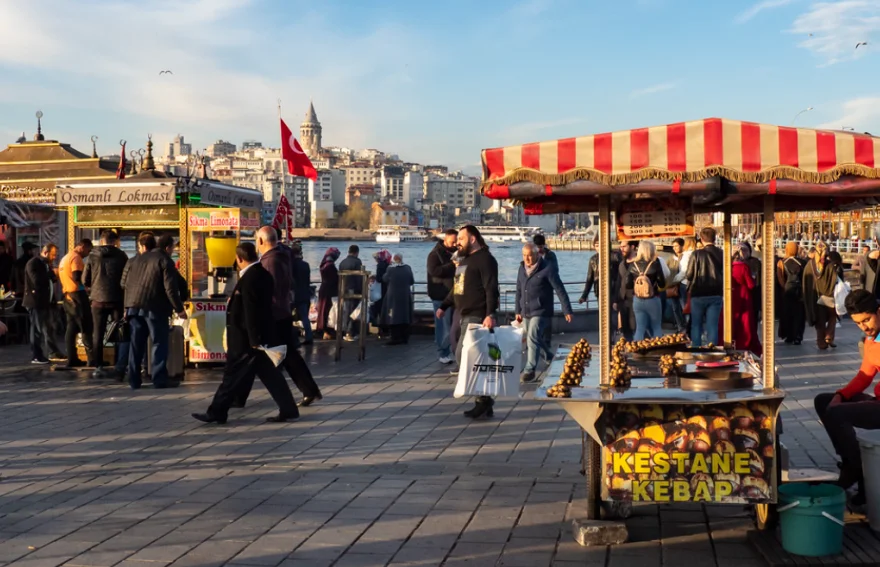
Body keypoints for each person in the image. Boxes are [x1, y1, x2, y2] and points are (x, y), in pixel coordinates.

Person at [192, 243, 299, 424]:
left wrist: (253, 339)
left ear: (239, 258)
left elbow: (251, 310)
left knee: (232, 375)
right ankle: (288, 409)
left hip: (246, 339)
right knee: (270, 375)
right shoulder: (263, 274)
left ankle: (217, 411)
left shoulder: (250, 278)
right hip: (257, 337)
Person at [234, 227, 322, 408]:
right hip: (281, 312)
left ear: (260, 241)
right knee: (285, 355)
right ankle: (308, 390)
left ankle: (238, 397)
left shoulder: (270, 262)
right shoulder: (281, 257)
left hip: (274, 315)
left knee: (260, 356)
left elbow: (269, 291)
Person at [813, 289, 880, 510]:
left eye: (867, 320)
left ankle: (857, 471)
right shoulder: (872, 340)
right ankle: (853, 464)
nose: (865, 327)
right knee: (825, 401)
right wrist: (841, 395)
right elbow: (864, 376)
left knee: (837, 413)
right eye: (859, 323)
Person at [437, 225, 500, 419]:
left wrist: (490, 313)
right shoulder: (464, 260)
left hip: (477, 315)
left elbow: (491, 288)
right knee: (471, 358)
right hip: (463, 313)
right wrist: (445, 305)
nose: (457, 243)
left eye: (461, 239)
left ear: (473, 239)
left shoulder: (486, 260)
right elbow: (458, 287)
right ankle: (484, 400)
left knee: (463, 355)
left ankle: (483, 400)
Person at [121, 232, 187, 389]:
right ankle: (159, 379)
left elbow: (124, 284)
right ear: (168, 247)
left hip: (133, 307)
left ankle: (134, 379)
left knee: (136, 344)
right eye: (172, 249)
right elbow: (170, 288)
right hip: (155, 308)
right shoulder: (164, 261)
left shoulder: (133, 260)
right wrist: (179, 309)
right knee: (158, 342)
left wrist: (126, 307)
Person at [516, 242, 573, 383]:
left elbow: (560, 289)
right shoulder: (521, 268)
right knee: (533, 339)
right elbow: (518, 290)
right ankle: (550, 357)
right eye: (524, 255)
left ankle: (529, 370)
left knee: (532, 336)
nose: (527, 259)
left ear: (537, 254)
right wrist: (517, 310)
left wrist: (567, 310)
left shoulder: (548, 268)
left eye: (530, 255)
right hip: (526, 310)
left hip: (542, 310)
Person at [83, 230, 128, 373]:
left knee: (98, 333)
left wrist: (94, 286)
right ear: (114, 241)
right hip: (116, 300)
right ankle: (119, 365)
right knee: (120, 332)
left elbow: (85, 279)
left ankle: (98, 366)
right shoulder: (121, 256)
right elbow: (126, 278)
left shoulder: (92, 256)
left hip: (97, 300)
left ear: (102, 240)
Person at [58, 239, 94, 368]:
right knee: (86, 325)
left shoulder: (65, 258)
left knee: (71, 328)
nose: (88, 254)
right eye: (88, 250)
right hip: (77, 295)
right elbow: (76, 277)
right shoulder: (76, 258)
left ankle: (72, 358)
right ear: (82, 247)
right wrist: (88, 287)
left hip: (67, 295)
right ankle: (91, 358)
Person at [686, 227, 724, 347]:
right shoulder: (722, 253)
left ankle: (696, 350)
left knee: (696, 325)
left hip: (698, 293)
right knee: (712, 326)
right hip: (716, 293)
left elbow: (689, 274)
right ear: (715, 238)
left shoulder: (696, 254)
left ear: (701, 239)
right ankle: (711, 350)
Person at [622, 241, 666, 341]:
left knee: (640, 328)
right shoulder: (655, 264)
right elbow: (662, 283)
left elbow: (627, 284)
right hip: (653, 299)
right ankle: (657, 350)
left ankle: (637, 351)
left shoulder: (633, 265)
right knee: (656, 327)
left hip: (637, 299)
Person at [22, 243, 58, 364]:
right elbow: (36, 280)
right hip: (35, 301)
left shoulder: (45, 264)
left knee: (46, 328)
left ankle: (51, 351)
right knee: (36, 329)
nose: (54, 257)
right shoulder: (34, 263)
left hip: (45, 301)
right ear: (46, 252)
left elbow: (52, 279)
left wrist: (52, 274)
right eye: (53, 255)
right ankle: (36, 355)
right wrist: (48, 274)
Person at [427, 230, 457, 364]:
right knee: (443, 326)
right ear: (446, 240)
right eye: (452, 242)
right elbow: (434, 271)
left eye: (456, 241)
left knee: (452, 325)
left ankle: (452, 350)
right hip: (440, 294)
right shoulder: (435, 254)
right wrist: (452, 265)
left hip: (453, 295)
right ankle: (443, 352)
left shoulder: (457, 252)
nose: (455, 244)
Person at [803, 241, 838, 351]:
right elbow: (834, 281)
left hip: (815, 297)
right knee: (833, 316)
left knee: (820, 320)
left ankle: (821, 342)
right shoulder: (830, 265)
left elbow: (806, 281)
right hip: (829, 297)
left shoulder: (809, 265)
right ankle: (829, 336)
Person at [580, 236, 622, 328]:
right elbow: (589, 279)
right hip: (599, 291)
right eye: (596, 245)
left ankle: (614, 335)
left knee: (613, 315)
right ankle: (606, 336)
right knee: (603, 317)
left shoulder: (614, 256)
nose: (599, 247)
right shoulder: (593, 259)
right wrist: (584, 295)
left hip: (613, 290)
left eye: (601, 245)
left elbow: (621, 273)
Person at [731, 245, 761, 355]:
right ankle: (745, 342)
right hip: (744, 295)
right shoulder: (743, 267)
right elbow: (750, 284)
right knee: (746, 321)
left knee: (733, 320)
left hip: (732, 295)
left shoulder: (729, 266)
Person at [776, 241, 806, 345]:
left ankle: (789, 336)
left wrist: (785, 287)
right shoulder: (803, 262)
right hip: (800, 290)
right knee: (799, 314)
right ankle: (798, 336)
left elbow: (780, 278)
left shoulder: (781, 263)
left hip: (787, 290)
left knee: (787, 313)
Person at [382, 253, 415, 345]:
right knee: (405, 315)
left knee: (392, 315)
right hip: (405, 295)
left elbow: (384, 279)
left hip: (393, 296)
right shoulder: (407, 268)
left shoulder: (390, 269)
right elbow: (411, 281)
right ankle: (405, 337)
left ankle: (395, 337)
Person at [338, 245, 363, 342]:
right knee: (353, 311)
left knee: (345, 310)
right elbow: (359, 277)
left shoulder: (342, 262)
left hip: (343, 289)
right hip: (354, 290)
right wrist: (362, 290)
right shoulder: (357, 262)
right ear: (356, 252)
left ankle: (344, 331)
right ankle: (351, 332)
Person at [290, 244, 314, 345]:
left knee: (289, 316)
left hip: (293, 294)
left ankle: (292, 338)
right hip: (304, 293)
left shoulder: (291, 265)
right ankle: (309, 337)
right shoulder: (306, 265)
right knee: (305, 317)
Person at [615, 241, 638, 341]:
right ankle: (629, 347)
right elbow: (618, 282)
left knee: (635, 326)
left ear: (632, 247)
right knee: (625, 328)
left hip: (636, 299)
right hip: (623, 300)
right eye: (621, 246)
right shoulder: (622, 264)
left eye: (624, 246)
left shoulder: (640, 262)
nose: (621, 249)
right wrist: (616, 300)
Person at [315, 247, 340, 340]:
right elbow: (334, 279)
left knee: (323, 310)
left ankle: (322, 329)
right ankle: (326, 331)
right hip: (329, 291)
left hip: (324, 289)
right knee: (327, 311)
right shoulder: (330, 266)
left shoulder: (324, 264)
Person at [371, 249, 392, 338]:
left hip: (381, 291)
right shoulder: (390, 265)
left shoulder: (380, 265)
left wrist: (375, 277)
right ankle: (387, 329)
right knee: (387, 310)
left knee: (380, 310)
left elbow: (380, 279)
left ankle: (382, 330)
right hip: (388, 290)